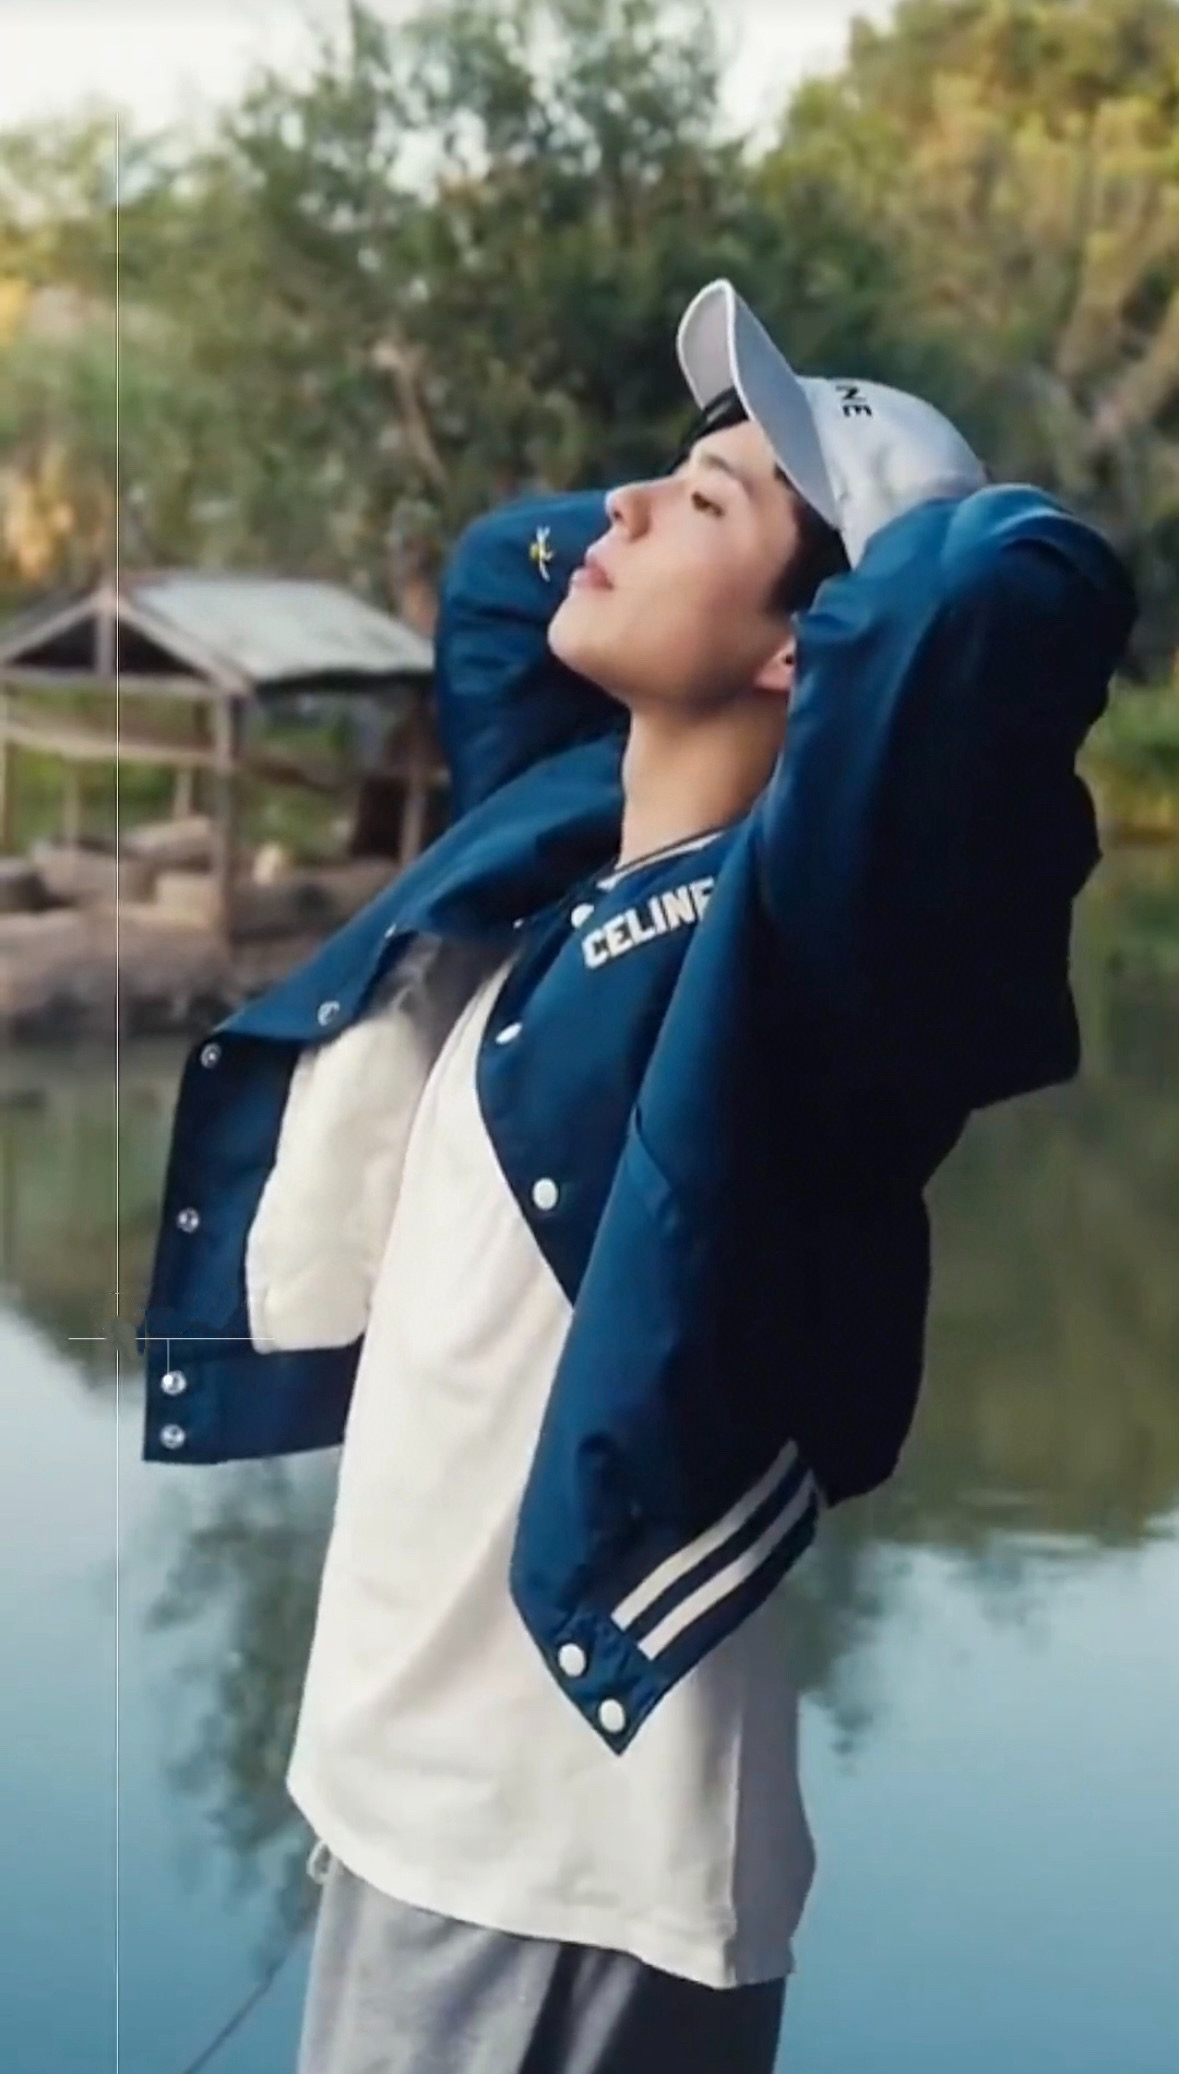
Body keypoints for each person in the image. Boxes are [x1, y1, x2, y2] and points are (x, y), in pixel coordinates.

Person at [139, 280, 1135, 2074]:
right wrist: (728, 500)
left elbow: (994, 592)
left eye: (702, 502)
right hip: (426, 1822)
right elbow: (497, 577)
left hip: (548, 1875)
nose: (620, 507)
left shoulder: (806, 964)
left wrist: (881, 529)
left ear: (814, 651)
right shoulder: (562, 849)